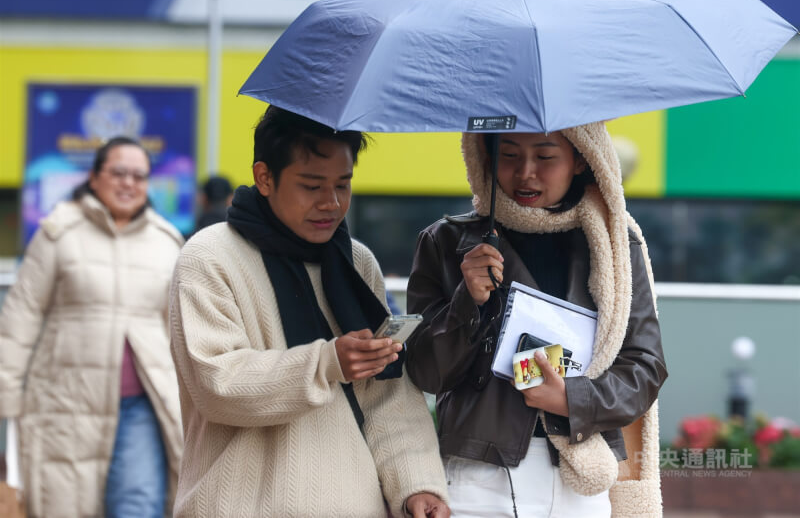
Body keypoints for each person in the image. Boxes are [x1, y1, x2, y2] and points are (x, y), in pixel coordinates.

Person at [169, 106, 449, 518]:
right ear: (264, 177)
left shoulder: (356, 262)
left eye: (343, 184)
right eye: (312, 185)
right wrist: (326, 362)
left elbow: (388, 395)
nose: (331, 203)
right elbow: (217, 385)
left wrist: (416, 485)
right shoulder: (209, 257)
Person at [405, 123, 668, 518]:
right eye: (509, 154)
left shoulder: (615, 244)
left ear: (581, 159)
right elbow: (425, 373)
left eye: (545, 156)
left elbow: (645, 367)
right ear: (485, 155)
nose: (525, 172)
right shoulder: (445, 242)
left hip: (580, 476)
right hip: (478, 477)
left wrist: (573, 399)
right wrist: (468, 301)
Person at [0, 137, 184, 518]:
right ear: (95, 177)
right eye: (118, 172)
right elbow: (21, 318)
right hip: (64, 405)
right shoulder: (58, 232)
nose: (129, 182)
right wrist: (6, 399)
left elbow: (180, 333)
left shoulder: (167, 242)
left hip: (142, 408)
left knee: (137, 507)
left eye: (139, 176)